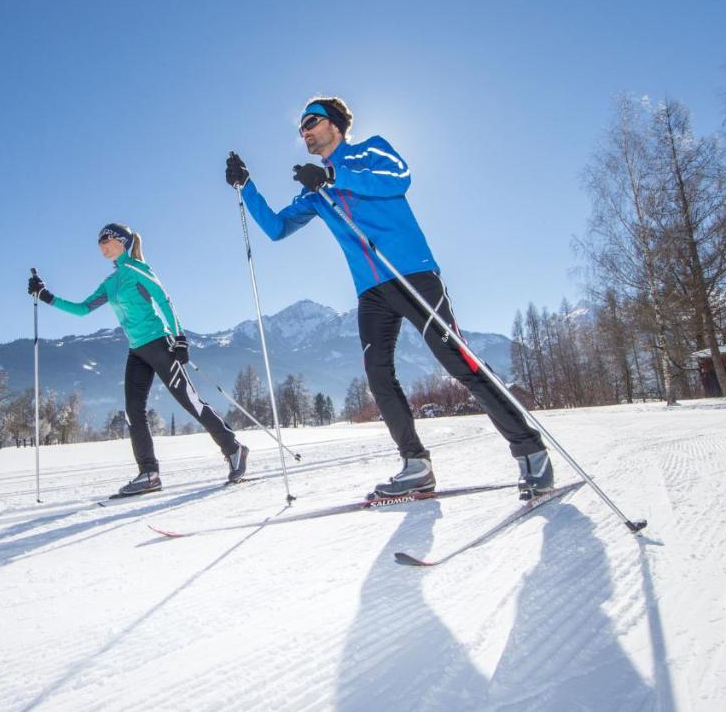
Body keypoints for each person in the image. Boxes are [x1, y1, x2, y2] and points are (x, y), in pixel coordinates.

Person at [225, 97, 553, 500]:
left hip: (411, 271)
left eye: (311, 122)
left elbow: (398, 178)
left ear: (337, 124)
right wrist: (247, 186)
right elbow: (276, 228)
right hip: (371, 290)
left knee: (457, 360)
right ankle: (416, 465)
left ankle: (530, 451)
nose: (304, 131)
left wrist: (334, 176)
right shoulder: (314, 192)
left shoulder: (369, 151)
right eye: (300, 128)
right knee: (378, 375)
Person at [27, 223, 248, 495]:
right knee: (133, 411)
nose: (101, 245)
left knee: (189, 401)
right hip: (137, 351)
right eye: (99, 242)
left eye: (105, 240)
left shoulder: (138, 270)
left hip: (160, 344)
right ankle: (149, 473)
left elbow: (164, 301)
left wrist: (179, 337)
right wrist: (46, 296)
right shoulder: (111, 283)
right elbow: (83, 309)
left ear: (122, 241)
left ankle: (234, 449)